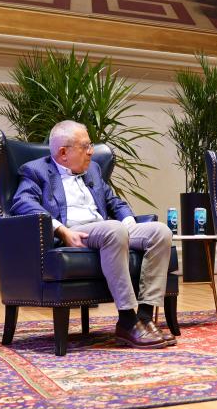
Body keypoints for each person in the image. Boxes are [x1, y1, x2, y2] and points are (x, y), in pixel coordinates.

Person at [10, 120, 176, 349]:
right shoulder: (36, 171)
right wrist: (60, 229)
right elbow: (23, 203)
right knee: (113, 229)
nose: (91, 151)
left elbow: (113, 201)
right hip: (77, 229)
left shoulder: (94, 170)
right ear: (63, 152)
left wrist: (129, 223)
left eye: (91, 145)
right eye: (85, 146)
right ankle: (127, 320)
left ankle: (145, 318)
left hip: (107, 229)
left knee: (160, 232)